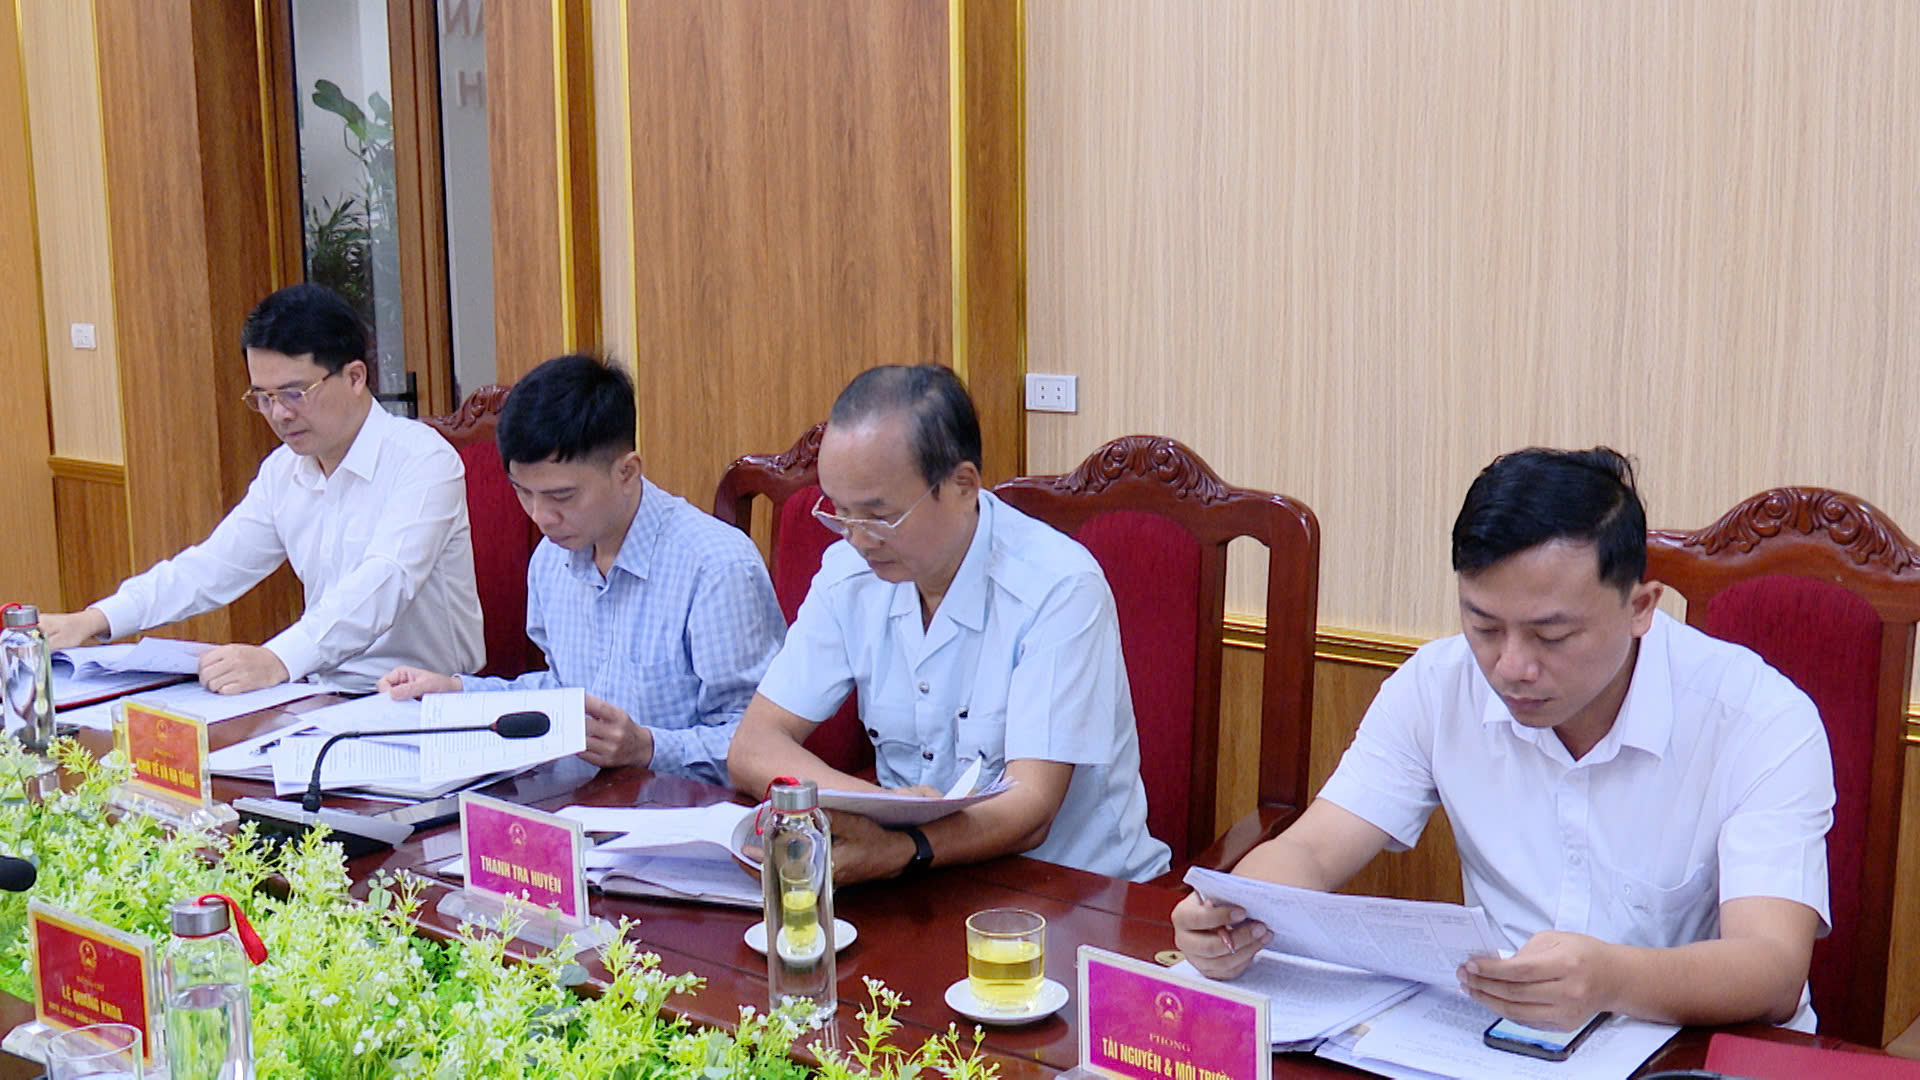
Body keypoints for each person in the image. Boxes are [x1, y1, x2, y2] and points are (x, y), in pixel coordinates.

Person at [1173, 447, 1833, 1032]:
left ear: (1640, 608)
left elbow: (1772, 968)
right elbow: (1313, 850)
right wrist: (1232, 913)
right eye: (1484, 626)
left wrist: (1611, 979)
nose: (1512, 666)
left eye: (1551, 635)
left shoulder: (1758, 718)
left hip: (1681, 1047)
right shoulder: (1438, 685)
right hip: (1491, 1040)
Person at [727, 364, 1171, 884]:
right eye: (840, 513)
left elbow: (1032, 807)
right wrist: (876, 811)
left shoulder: (1059, 587)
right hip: (919, 879)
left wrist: (905, 845)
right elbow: (753, 745)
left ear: (962, 485)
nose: (858, 539)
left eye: (879, 516)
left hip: (1072, 889)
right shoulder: (848, 575)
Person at [39, 284, 484, 694]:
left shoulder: (423, 460)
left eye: (295, 393)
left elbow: (384, 583)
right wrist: (95, 619)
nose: (279, 414)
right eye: (263, 398)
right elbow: (213, 566)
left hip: (422, 698)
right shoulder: (284, 470)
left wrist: (277, 659)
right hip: (320, 691)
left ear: (354, 377)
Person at [377, 353, 785, 785]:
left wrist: (648, 747)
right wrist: (456, 692)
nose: (540, 516)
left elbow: (762, 743)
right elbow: (562, 692)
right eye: (523, 492)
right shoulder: (550, 559)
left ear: (627, 472)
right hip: (580, 803)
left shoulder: (715, 568)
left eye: (562, 496)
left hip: (683, 810)